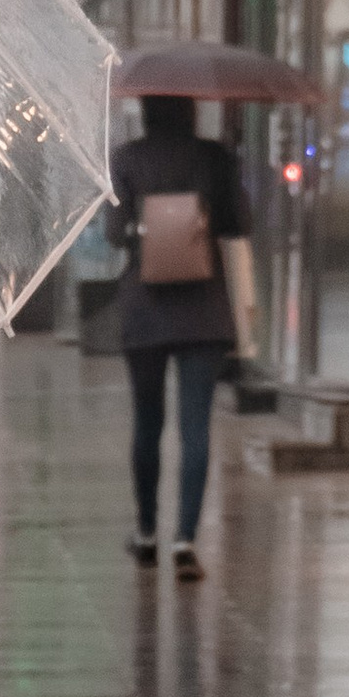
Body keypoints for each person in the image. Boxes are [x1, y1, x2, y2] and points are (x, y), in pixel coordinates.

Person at [107, 89, 252, 577]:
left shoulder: (128, 159)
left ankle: (146, 531)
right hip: (203, 311)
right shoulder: (213, 156)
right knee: (196, 428)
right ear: (190, 109)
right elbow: (238, 225)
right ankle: (185, 539)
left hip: (145, 310)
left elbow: (113, 231)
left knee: (147, 423)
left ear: (146, 110)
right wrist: (226, 174)